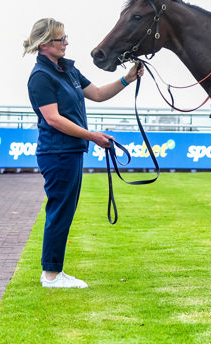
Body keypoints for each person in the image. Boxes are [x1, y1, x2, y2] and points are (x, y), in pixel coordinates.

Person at [23, 18, 143, 288]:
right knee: (60, 210)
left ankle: (55, 271)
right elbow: (53, 119)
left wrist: (127, 78)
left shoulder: (68, 70)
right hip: (57, 152)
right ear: (44, 44)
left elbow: (98, 94)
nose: (66, 43)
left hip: (71, 151)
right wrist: (92, 136)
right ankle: (50, 275)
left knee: (65, 210)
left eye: (66, 37)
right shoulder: (41, 76)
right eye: (60, 39)